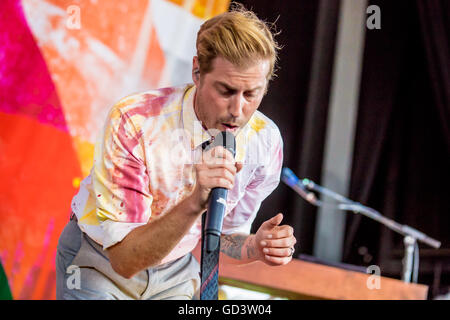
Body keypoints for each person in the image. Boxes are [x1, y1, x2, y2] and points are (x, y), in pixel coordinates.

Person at [56, 4, 297, 300]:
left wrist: (256, 247)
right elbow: (125, 260)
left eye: (251, 94)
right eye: (225, 91)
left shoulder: (265, 143)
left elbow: (224, 236)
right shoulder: (136, 122)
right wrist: (197, 200)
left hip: (176, 268)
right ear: (197, 71)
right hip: (101, 262)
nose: (237, 111)